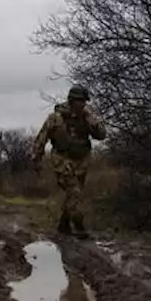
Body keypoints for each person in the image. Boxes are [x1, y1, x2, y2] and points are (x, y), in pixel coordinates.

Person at [32, 85, 107, 239]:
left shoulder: (86, 117)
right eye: (80, 101)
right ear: (72, 100)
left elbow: (101, 136)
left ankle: (63, 225)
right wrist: (37, 160)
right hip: (62, 159)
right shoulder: (56, 118)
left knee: (74, 195)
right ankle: (79, 226)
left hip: (81, 161)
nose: (83, 104)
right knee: (74, 192)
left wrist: (95, 125)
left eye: (84, 101)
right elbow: (41, 138)